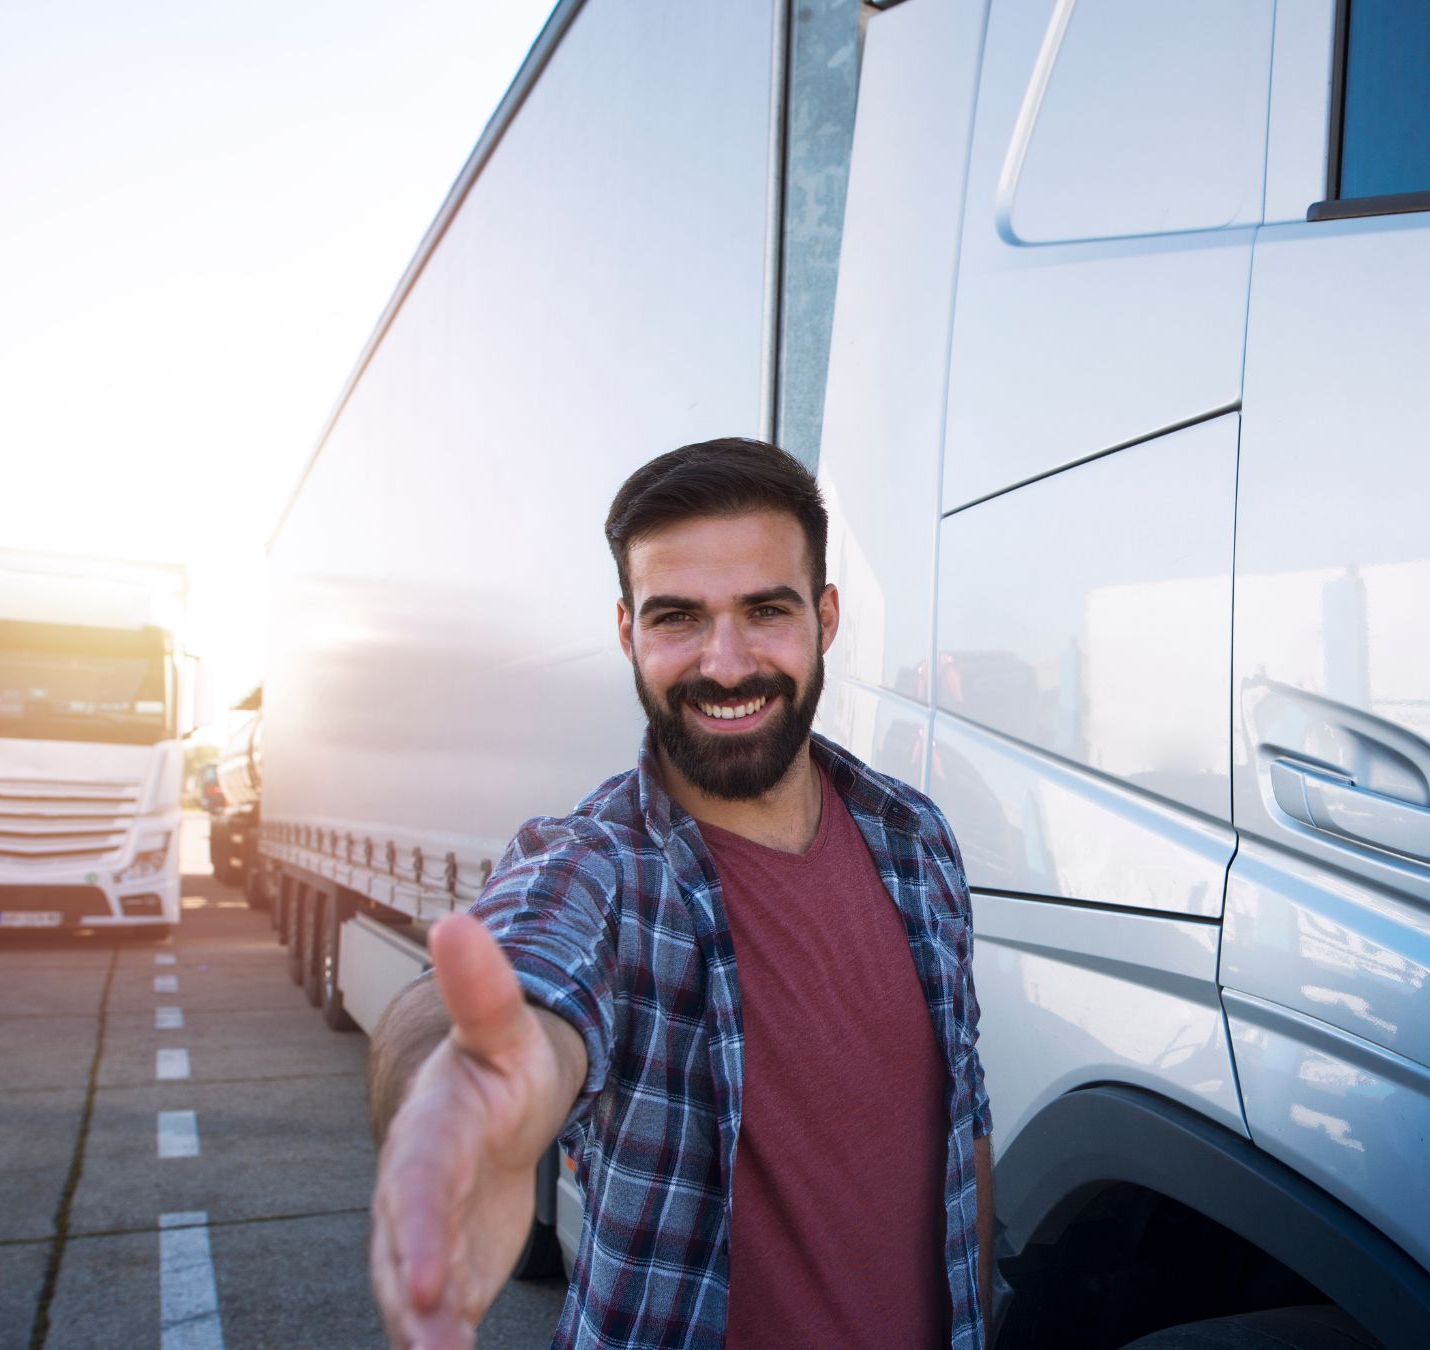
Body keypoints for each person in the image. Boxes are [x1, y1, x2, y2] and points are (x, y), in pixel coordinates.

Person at [364, 438, 993, 1349]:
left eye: (766, 611)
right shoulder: (600, 867)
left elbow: (962, 1125)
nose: (726, 664)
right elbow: (521, 974)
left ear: (825, 616)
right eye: (678, 619)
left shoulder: (918, 840)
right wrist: (459, 1090)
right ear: (628, 633)